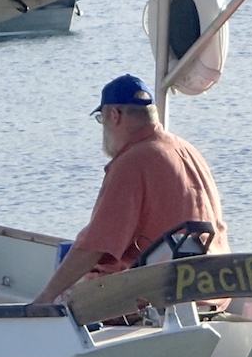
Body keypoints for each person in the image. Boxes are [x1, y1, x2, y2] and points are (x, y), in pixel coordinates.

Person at [32, 73, 229, 306]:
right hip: (213, 289)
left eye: (101, 120)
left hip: (161, 296)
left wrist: (46, 297)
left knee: (64, 302)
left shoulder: (132, 162)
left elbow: (95, 244)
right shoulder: (188, 150)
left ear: (114, 116)